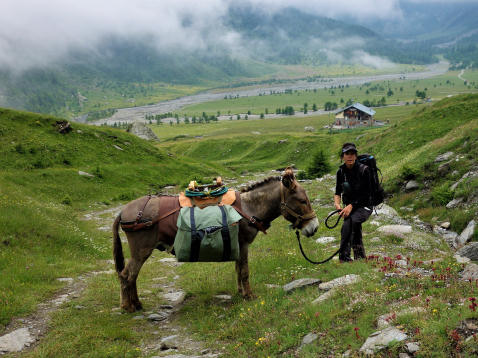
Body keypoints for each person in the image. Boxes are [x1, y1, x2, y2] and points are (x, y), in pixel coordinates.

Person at [334, 142, 372, 262]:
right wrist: (337, 204)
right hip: (349, 207)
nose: (350, 156)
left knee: (350, 223)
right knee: (353, 226)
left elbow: (366, 194)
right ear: (342, 156)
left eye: (352, 153)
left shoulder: (364, 170)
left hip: (365, 205)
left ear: (356, 156)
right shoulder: (340, 172)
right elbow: (337, 192)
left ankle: (344, 258)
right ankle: (360, 258)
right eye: (347, 154)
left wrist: (351, 206)